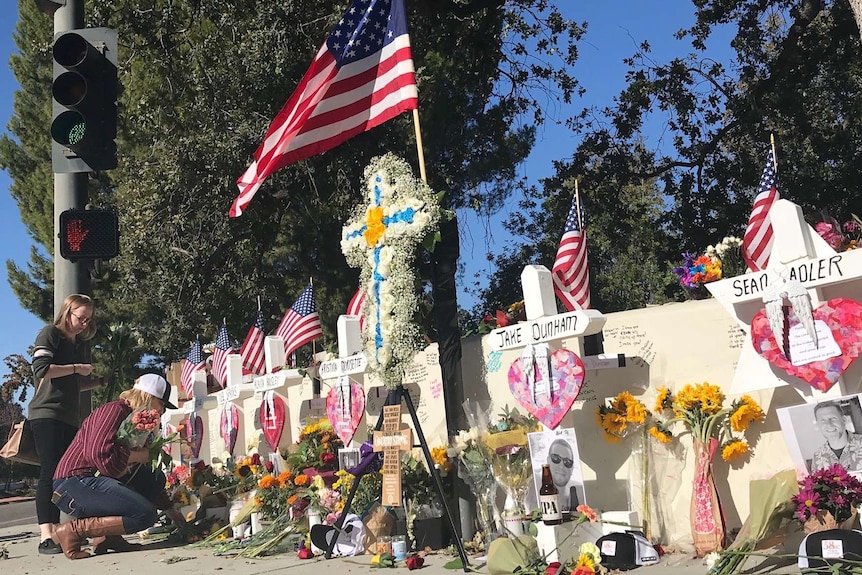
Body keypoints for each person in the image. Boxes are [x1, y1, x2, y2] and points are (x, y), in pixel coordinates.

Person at [51, 373, 186, 560]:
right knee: (144, 515)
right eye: (162, 404)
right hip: (74, 483)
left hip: (88, 481)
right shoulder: (114, 411)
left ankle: (107, 537)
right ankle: (72, 530)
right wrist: (137, 455)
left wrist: (169, 509)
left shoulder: (133, 422)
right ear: (150, 398)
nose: (162, 411)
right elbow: (99, 455)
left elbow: (141, 476)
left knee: (153, 477)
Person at [28, 294, 104, 555]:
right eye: (80, 317)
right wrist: (75, 368)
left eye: (88, 320)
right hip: (46, 414)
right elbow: (41, 369)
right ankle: (46, 535)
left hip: (70, 417)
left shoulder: (77, 346)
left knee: (67, 473)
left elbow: (75, 383)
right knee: (50, 471)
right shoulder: (50, 334)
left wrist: (99, 382)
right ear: (67, 312)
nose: (84, 323)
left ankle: (65, 531)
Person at [810, 401, 862, 473]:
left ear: (843, 420)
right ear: (818, 425)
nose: (829, 424)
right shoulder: (817, 457)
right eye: (823, 420)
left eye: (833, 418)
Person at [547, 438, 580, 513]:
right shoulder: (535, 498)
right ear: (548, 461)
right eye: (556, 458)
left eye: (567, 462)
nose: (561, 466)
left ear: (572, 469)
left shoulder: (578, 498)